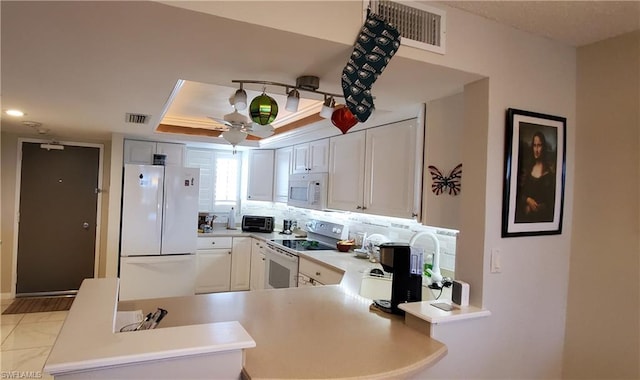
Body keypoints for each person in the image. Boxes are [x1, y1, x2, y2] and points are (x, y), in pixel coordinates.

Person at [515, 131, 556, 223]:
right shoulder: (527, 170)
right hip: (524, 219)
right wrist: (527, 200)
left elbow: (551, 203)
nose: (536, 150)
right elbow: (517, 193)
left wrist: (539, 208)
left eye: (539, 145)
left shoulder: (549, 175)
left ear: (543, 147)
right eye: (534, 145)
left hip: (540, 220)